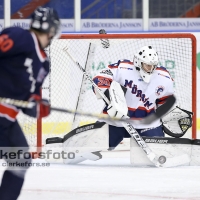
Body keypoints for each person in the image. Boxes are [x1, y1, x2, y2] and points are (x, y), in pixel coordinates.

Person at [0, 6, 60, 200]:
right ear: (51, 29)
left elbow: (28, 100)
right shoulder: (19, 36)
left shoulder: (43, 63)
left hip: (6, 120)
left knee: (21, 159)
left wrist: (37, 105)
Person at [92, 45, 174, 149]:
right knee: (91, 148)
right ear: (138, 62)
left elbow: (165, 100)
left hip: (147, 124)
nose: (151, 69)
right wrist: (109, 96)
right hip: (114, 121)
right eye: (148, 65)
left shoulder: (164, 76)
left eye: (154, 65)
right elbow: (101, 77)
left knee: (159, 152)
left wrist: (167, 115)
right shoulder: (123, 68)